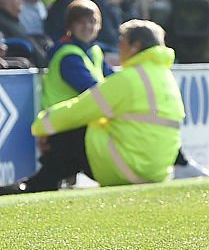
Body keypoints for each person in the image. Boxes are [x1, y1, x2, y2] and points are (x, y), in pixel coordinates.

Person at [0, 20, 184, 194]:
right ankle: (45, 181)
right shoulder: (165, 78)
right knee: (90, 131)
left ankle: (40, 184)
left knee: (70, 128)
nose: (118, 46)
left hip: (130, 167)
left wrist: (42, 125)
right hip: (157, 170)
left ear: (135, 46)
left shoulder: (130, 79)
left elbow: (81, 110)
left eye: (122, 41)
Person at [39, 0, 113, 111]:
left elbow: (112, 78)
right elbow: (91, 89)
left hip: (80, 118)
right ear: (70, 26)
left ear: (99, 25)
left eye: (92, 21)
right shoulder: (68, 55)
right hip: (60, 122)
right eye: (80, 22)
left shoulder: (94, 51)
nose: (87, 26)